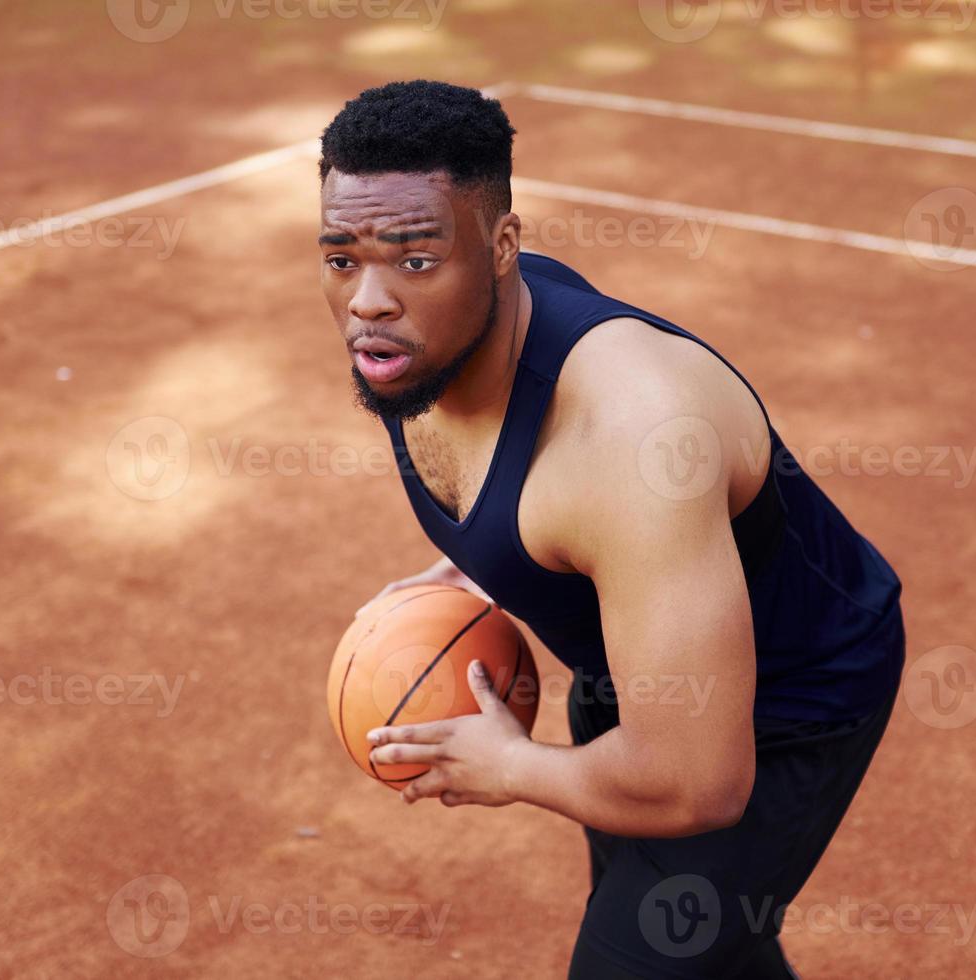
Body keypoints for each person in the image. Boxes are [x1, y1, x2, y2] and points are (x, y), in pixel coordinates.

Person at [316, 79, 905, 979]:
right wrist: (481, 564)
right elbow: (525, 476)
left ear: (503, 247)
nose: (368, 300)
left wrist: (512, 768)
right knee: (707, 951)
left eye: (414, 259)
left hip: (789, 700)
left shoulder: (633, 435)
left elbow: (698, 783)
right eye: (340, 258)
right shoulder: (422, 345)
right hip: (636, 667)